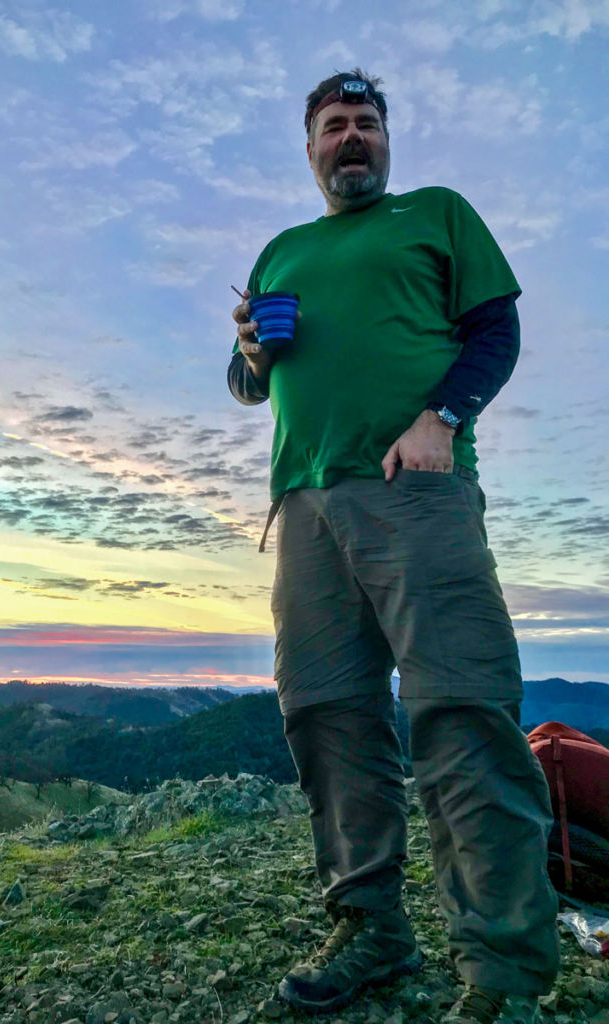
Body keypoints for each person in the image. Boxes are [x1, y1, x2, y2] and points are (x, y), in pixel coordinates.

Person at [228, 70, 559, 1024]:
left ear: (386, 140)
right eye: (334, 125)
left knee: (461, 705)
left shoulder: (437, 214)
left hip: (415, 487)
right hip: (304, 502)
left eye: (366, 122)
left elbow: (496, 332)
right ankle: (371, 926)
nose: (351, 137)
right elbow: (248, 383)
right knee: (326, 712)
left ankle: (501, 970)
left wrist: (440, 418)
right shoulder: (283, 249)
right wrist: (251, 352)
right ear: (310, 149)